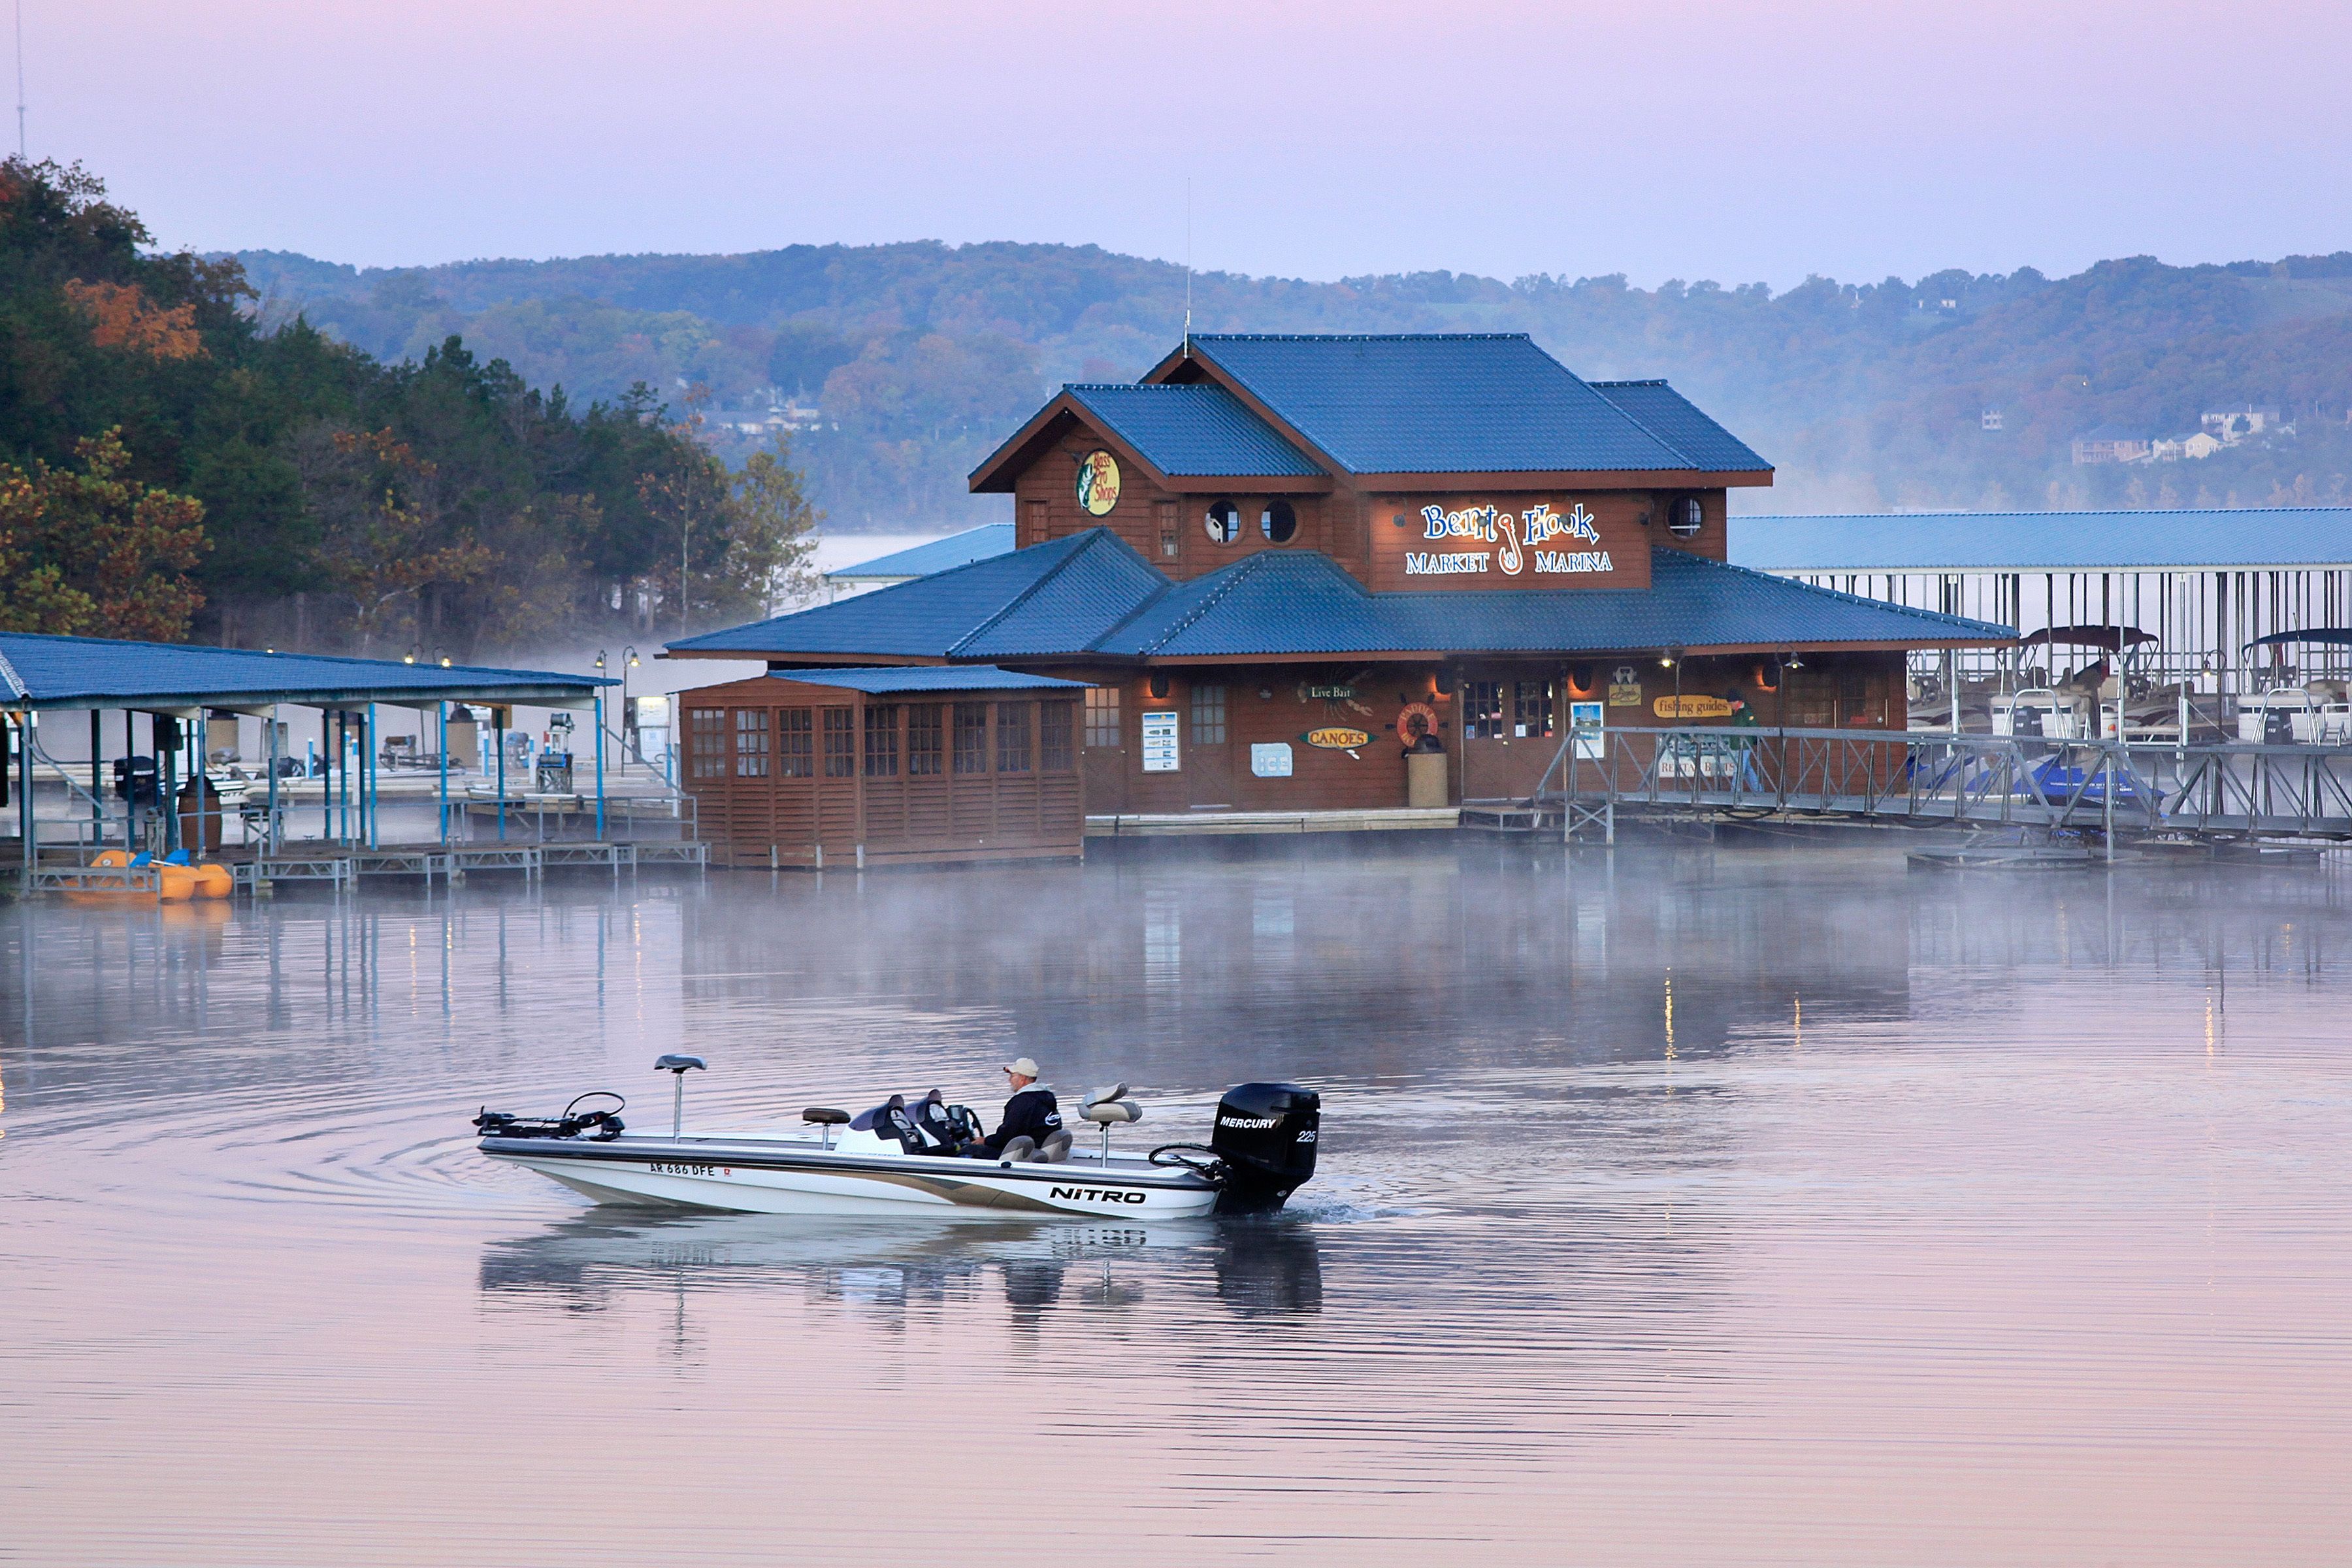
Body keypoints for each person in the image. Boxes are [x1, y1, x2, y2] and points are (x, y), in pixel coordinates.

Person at [960, 1056, 1062, 1158]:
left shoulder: (1022, 1101)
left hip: (1024, 1153)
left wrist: (986, 1141)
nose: (1009, 1080)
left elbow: (1007, 1136)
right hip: (1037, 1147)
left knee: (969, 1150)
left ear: (1022, 1079)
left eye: (1012, 1076)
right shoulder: (1047, 1097)